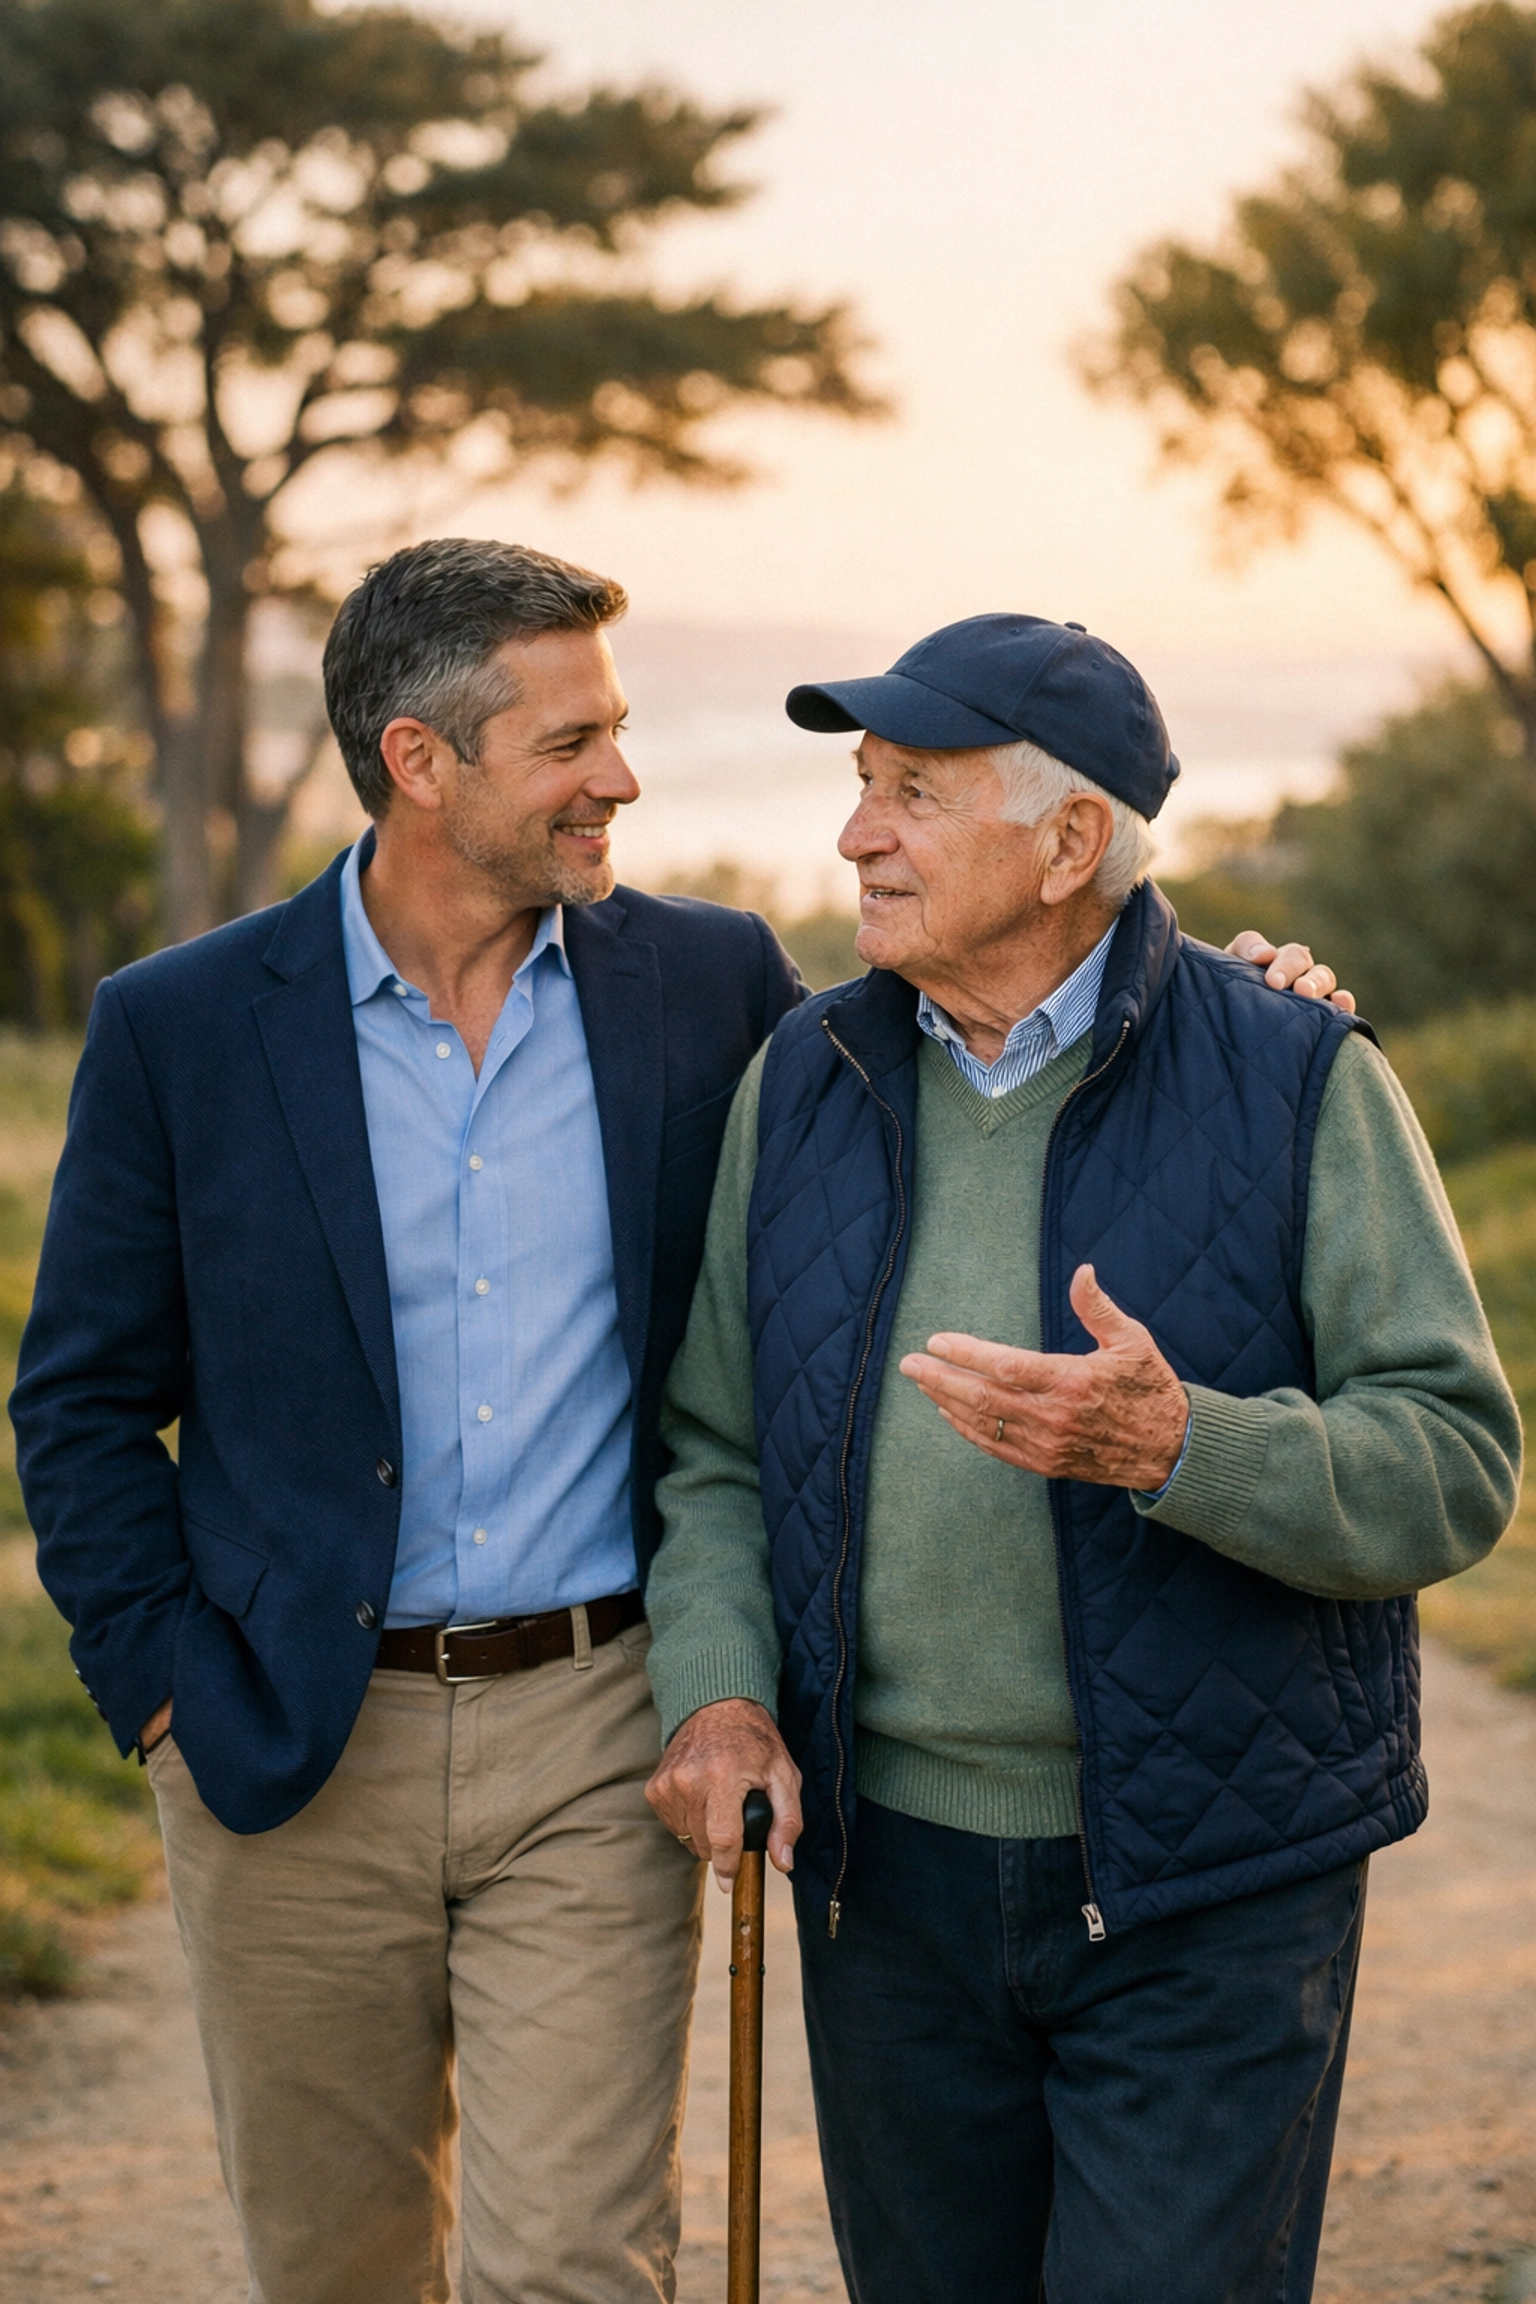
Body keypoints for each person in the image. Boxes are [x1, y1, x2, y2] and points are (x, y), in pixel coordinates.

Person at [12, 555, 1345, 2304]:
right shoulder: (180, 1027)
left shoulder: (711, 989)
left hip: (595, 1722)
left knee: (574, 2260)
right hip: (283, 1750)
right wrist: (165, 1687)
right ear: (421, 762)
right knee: (331, 2265)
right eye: (573, 743)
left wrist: (1222, 1003)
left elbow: (965, 1052)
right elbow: (84, 1398)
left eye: (625, 730)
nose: (623, 779)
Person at [643, 612, 1521, 2304]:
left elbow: (1456, 1456)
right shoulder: (803, 1079)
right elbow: (712, 1451)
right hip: (884, 1890)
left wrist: (1184, 1446)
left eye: (912, 791)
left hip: (1210, 1885)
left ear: (1066, 843)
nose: (855, 833)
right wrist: (721, 1693)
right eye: (856, 785)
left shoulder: (1297, 1077)